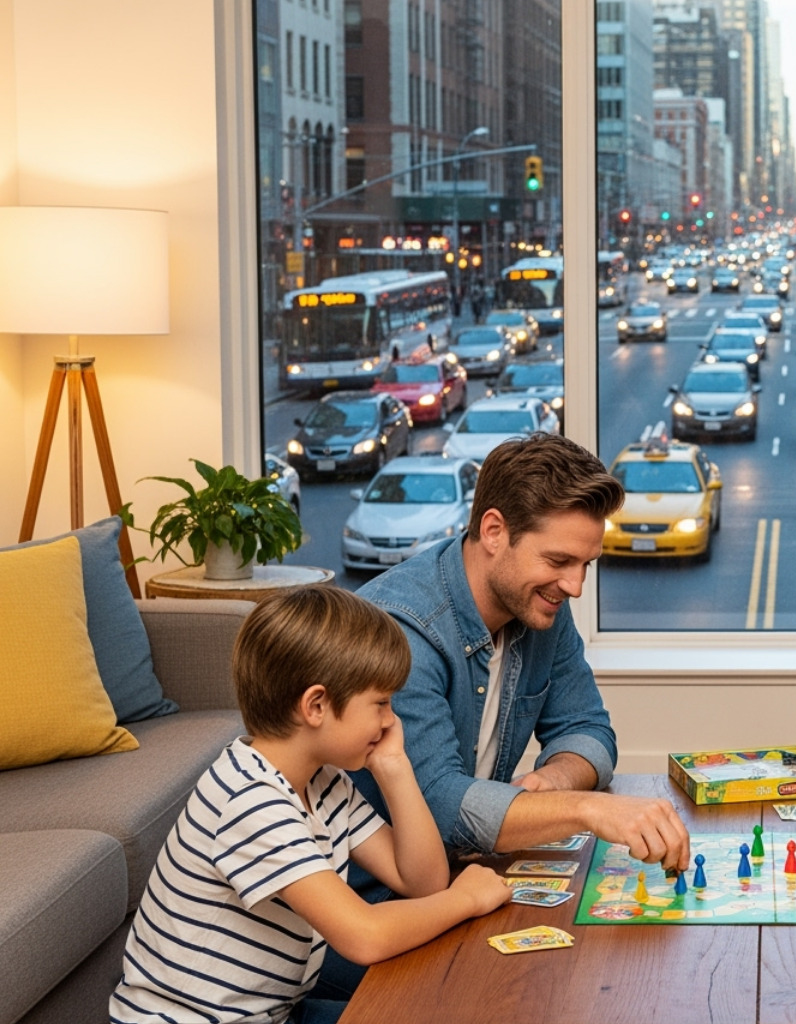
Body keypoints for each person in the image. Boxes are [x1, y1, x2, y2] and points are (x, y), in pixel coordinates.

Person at [110, 587, 511, 1024]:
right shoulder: (248, 800)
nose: (390, 720)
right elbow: (365, 935)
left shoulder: (323, 781)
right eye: (380, 703)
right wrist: (466, 899)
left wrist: (394, 766)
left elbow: (423, 882)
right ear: (316, 705)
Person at [356, 434, 690, 866]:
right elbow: (439, 805)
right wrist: (586, 808)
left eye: (585, 564)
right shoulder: (400, 632)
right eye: (558, 561)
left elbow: (588, 728)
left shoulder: (537, 603)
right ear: (494, 531)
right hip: (387, 899)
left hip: (473, 870)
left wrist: (556, 779)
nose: (575, 586)